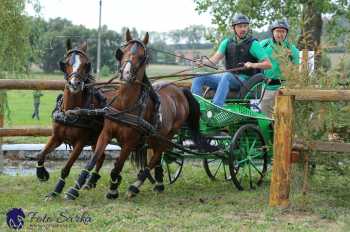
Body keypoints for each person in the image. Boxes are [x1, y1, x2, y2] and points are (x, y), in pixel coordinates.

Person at [191, 14, 272, 107]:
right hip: (228, 78)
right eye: (240, 26)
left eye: (245, 26)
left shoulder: (254, 44)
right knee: (198, 76)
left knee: (226, 76)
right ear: (233, 28)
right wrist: (202, 63)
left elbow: (268, 64)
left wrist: (252, 65)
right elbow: (214, 60)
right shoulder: (226, 42)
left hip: (245, 82)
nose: (243, 29)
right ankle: (197, 107)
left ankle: (216, 107)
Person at [260, 19, 300, 117]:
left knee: (282, 118)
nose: (280, 34)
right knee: (266, 118)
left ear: (286, 33)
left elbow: (297, 70)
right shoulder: (264, 45)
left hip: (284, 89)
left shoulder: (292, 49)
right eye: (277, 31)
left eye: (283, 31)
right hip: (267, 88)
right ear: (273, 32)